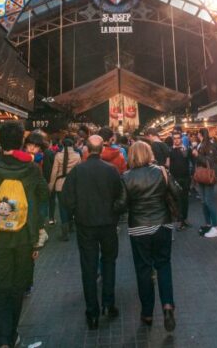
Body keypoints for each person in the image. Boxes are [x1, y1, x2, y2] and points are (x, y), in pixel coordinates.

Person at [0, 121, 50, 347]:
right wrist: (37, 234)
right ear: (21, 143)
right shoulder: (31, 169)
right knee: (17, 289)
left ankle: (1, 341)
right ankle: (11, 334)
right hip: (24, 239)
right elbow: (43, 198)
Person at [62, 135, 126, 329]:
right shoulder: (111, 171)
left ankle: (92, 312)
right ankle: (109, 303)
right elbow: (121, 195)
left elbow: (67, 199)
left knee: (88, 268)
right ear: (102, 149)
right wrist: (114, 212)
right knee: (109, 263)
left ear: (87, 150)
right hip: (108, 224)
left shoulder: (77, 171)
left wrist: (75, 214)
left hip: (85, 225)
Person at [121, 141, 179, 332]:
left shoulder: (126, 177)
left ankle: (147, 313)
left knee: (144, 269)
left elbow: (122, 204)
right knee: (163, 265)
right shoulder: (161, 171)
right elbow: (177, 191)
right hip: (162, 224)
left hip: (138, 228)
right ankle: (168, 306)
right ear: (149, 153)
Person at [49, 136, 81, 240]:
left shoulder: (58, 155)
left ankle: (65, 233)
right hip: (73, 185)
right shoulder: (77, 156)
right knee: (72, 205)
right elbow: (79, 171)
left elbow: (54, 172)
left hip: (60, 184)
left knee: (62, 208)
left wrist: (51, 185)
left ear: (62, 145)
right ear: (73, 145)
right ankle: (72, 225)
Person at [193, 128, 217, 237]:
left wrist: (197, 155)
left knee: (209, 201)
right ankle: (208, 224)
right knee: (204, 201)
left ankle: (216, 227)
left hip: (208, 175)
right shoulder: (200, 145)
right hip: (202, 175)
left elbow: (209, 161)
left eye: (198, 134)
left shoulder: (210, 145)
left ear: (200, 135)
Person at [169, 132, 192, 230]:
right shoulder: (170, 150)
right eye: (175, 138)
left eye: (178, 138)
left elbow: (191, 161)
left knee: (185, 199)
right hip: (175, 179)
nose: (176, 140)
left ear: (181, 139)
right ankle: (180, 221)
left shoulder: (186, 149)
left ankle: (185, 219)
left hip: (186, 178)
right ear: (173, 139)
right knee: (177, 200)